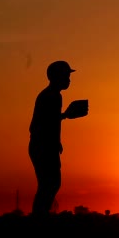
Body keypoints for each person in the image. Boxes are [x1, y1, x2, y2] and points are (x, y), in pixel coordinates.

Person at [28, 60, 88, 218]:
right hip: (42, 146)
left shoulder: (53, 96)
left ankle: (40, 216)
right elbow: (40, 124)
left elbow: (49, 121)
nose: (69, 79)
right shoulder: (51, 96)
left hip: (45, 146)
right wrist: (66, 115)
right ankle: (38, 218)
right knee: (50, 184)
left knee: (50, 184)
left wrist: (64, 117)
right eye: (66, 75)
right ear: (56, 77)